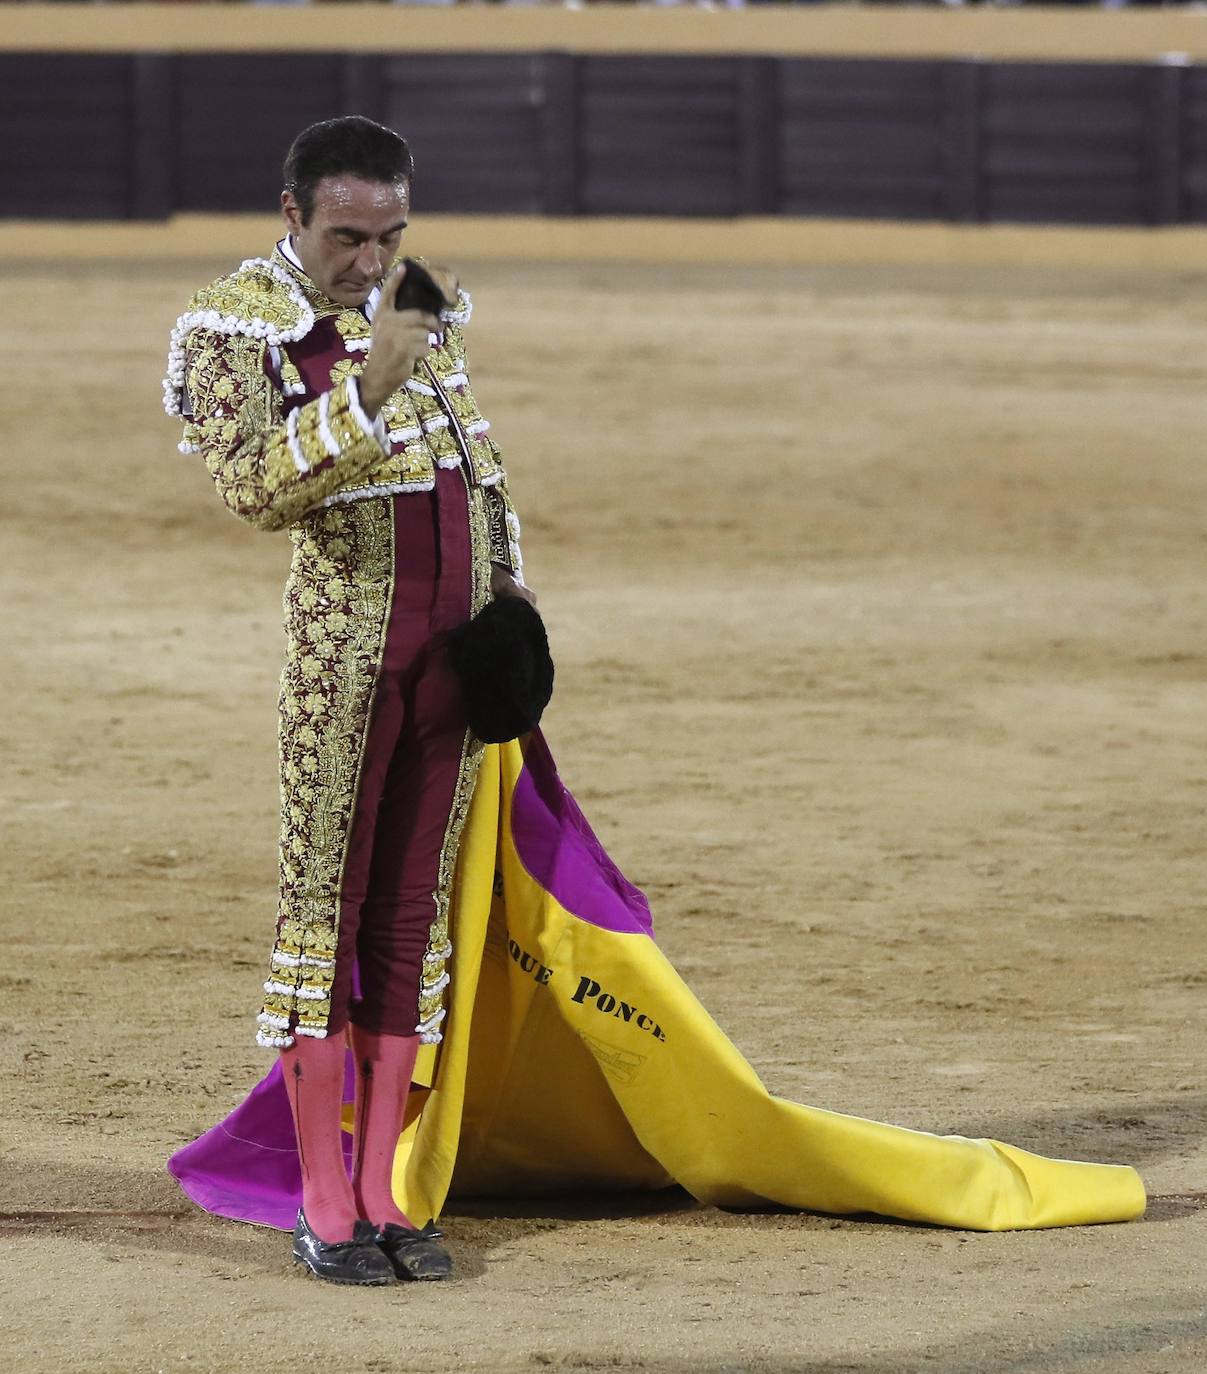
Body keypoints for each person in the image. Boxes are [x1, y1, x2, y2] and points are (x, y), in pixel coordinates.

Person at [165, 115, 529, 1285]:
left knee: (408, 920)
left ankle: (385, 1186)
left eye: (389, 235)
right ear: (292, 218)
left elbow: (474, 457)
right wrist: (371, 374)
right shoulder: (235, 322)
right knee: (322, 924)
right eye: (346, 237)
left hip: (452, 665)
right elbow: (256, 486)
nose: (371, 262)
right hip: (345, 663)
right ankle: (323, 1197)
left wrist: (514, 600)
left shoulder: (429, 297)